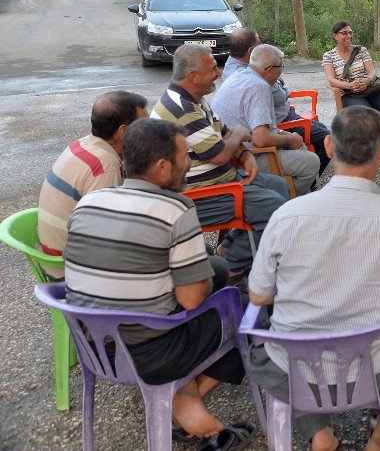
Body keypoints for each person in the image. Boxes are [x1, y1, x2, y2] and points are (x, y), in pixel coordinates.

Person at [247, 106, 380, 451]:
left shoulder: (286, 215)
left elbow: (259, 298)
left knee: (272, 353)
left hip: (295, 368)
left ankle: (319, 432)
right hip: (373, 365)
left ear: (329, 147)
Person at [63, 119, 253, 448]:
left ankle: (184, 401)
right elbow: (193, 299)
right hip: (149, 352)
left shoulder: (88, 203)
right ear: (163, 167)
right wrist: (202, 282)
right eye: (185, 158)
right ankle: (180, 405)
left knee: (216, 272)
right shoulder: (175, 209)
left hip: (94, 346)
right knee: (245, 310)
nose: (190, 163)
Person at [152, 43, 290, 275]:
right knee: (274, 207)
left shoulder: (194, 100)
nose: (218, 73)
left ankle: (228, 247)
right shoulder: (181, 108)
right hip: (198, 195)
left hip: (221, 182)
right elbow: (221, 153)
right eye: (213, 69)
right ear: (193, 76)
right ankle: (230, 269)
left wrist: (245, 153)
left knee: (279, 185)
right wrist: (237, 135)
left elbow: (225, 133)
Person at [37, 91, 148, 278]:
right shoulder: (105, 167)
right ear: (123, 131)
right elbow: (106, 237)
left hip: (53, 258)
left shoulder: (83, 145)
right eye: (144, 126)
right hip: (70, 272)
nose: (149, 133)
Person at [212, 44, 321, 197]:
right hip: (246, 157)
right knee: (312, 162)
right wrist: (290, 139)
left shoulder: (239, 75)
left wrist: (285, 135)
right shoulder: (259, 86)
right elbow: (261, 139)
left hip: (232, 151)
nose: (281, 71)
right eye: (281, 66)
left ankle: (295, 196)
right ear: (270, 70)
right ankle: (288, 201)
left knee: (299, 145)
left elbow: (258, 128)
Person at [222, 27, 333, 175]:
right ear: (251, 51)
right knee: (320, 149)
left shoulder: (241, 71)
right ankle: (305, 189)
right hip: (250, 151)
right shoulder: (257, 83)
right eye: (259, 44)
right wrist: (289, 139)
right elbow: (261, 138)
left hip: (245, 144)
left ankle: (297, 186)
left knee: (321, 132)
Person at [322, 20, 380, 156]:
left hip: (369, 89)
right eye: (344, 33)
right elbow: (332, 80)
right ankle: (372, 145)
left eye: (350, 33)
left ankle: (375, 142)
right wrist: (350, 86)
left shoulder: (361, 50)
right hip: (349, 93)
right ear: (335, 36)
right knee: (364, 111)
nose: (349, 36)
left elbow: (372, 72)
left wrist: (366, 82)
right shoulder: (329, 56)